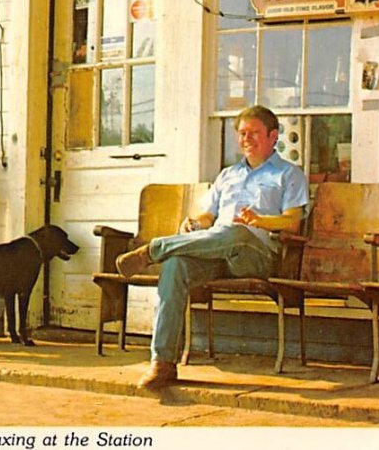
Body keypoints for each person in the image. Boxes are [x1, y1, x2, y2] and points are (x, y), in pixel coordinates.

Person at [116, 106, 309, 390]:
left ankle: (155, 249)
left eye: (254, 133)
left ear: (273, 136)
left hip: (258, 255)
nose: (247, 139)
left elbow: (292, 222)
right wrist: (193, 222)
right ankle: (163, 363)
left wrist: (261, 221)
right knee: (174, 266)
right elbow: (207, 216)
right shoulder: (228, 175)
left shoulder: (289, 174)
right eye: (242, 134)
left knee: (234, 232)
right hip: (217, 250)